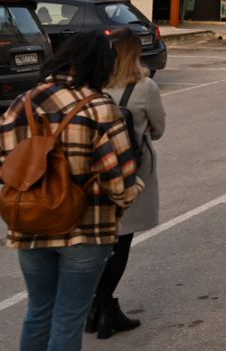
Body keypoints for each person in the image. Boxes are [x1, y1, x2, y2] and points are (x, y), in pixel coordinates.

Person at [0, 33, 144, 351]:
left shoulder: (22, 103)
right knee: (68, 317)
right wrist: (133, 192)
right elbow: (119, 182)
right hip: (86, 229)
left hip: (31, 224)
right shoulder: (100, 108)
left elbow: (5, 164)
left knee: (38, 312)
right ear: (100, 66)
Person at [89, 29, 166, 339]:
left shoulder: (96, 83)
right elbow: (158, 129)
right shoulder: (145, 87)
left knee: (99, 239)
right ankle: (106, 307)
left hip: (97, 167)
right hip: (133, 169)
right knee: (121, 240)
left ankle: (95, 307)